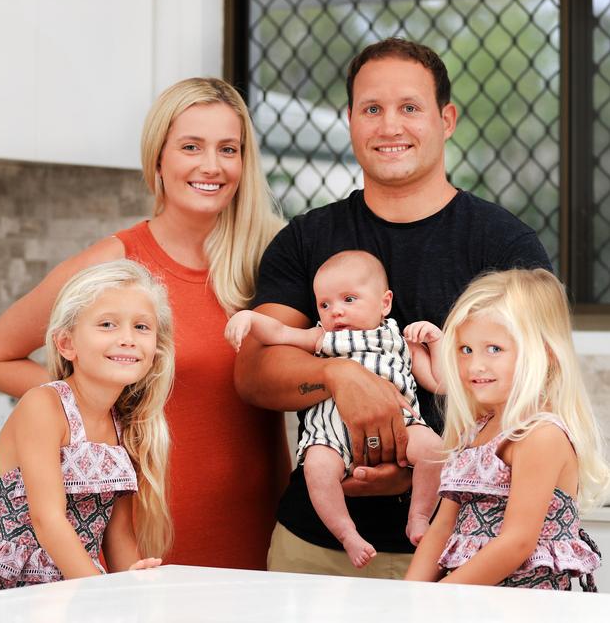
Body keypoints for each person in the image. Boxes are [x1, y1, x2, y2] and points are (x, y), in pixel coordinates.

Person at [234, 37, 552, 579]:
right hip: (315, 550)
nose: (390, 127)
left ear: (446, 119)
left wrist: (420, 470)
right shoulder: (306, 239)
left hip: (467, 550)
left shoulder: (505, 246)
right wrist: (338, 376)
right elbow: (254, 372)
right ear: (351, 120)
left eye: (410, 107)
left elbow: (536, 392)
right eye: (372, 109)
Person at [0, 78, 291, 570]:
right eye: (190, 146)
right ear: (157, 159)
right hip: (147, 531)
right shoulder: (116, 265)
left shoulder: (271, 261)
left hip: (263, 525)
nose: (212, 165)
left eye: (229, 149)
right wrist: (98, 404)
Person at [0, 260, 173, 592]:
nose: (128, 339)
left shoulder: (124, 426)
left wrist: (134, 587)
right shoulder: (43, 406)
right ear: (67, 344)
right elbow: (48, 521)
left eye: (142, 327)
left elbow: (118, 535)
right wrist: (103, 593)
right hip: (14, 592)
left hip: (74, 590)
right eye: (107, 324)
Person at [226, 250, 443, 567]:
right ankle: (347, 534)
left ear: (384, 303)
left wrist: (435, 341)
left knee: (434, 450)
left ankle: (420, 517)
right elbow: (280, 333)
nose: (336, 312)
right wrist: (249, 318)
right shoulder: (322, 338)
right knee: (316, 469)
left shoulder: (399, 339)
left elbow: (440, 382)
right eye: (325, 304)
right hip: (330, 436)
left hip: (403, 428)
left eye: (349, 300)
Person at [405, 268, 609, 590]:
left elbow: (516, 543)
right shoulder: (475, 430)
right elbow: (442, 528)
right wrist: (409, 596)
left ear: (545, 354)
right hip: (469, 599)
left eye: (494, 349)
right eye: (465, 349)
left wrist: (441, 598)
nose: (475, 365)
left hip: (523, 605)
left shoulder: (541, 435)